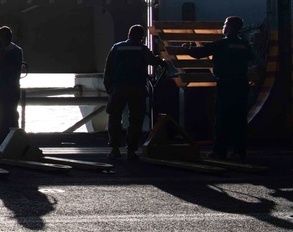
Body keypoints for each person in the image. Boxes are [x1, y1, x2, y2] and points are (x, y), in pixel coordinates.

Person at [184, 15, 255, 159]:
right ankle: (239, 151)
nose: (223, 27)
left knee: (222, 118)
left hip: (226, 84)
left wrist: (187, 48)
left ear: (229, 27)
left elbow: (199, 53)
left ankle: (219, 151)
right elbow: (251, 59)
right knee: (239, 118)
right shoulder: (245, 45)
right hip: (241, 84)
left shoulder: (221, 44)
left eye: (225, 24)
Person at [103, 24, 169, 160]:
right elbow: (152, 61)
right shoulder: (142, 49)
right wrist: (162, 62)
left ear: (128, 35)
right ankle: (131, 150)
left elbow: (108, 69)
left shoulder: (117, 48)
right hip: (137, 87)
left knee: (115, 117)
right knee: (136, 119)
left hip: (119, 87)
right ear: (142, 37)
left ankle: (115, 149)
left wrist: (109, 87)